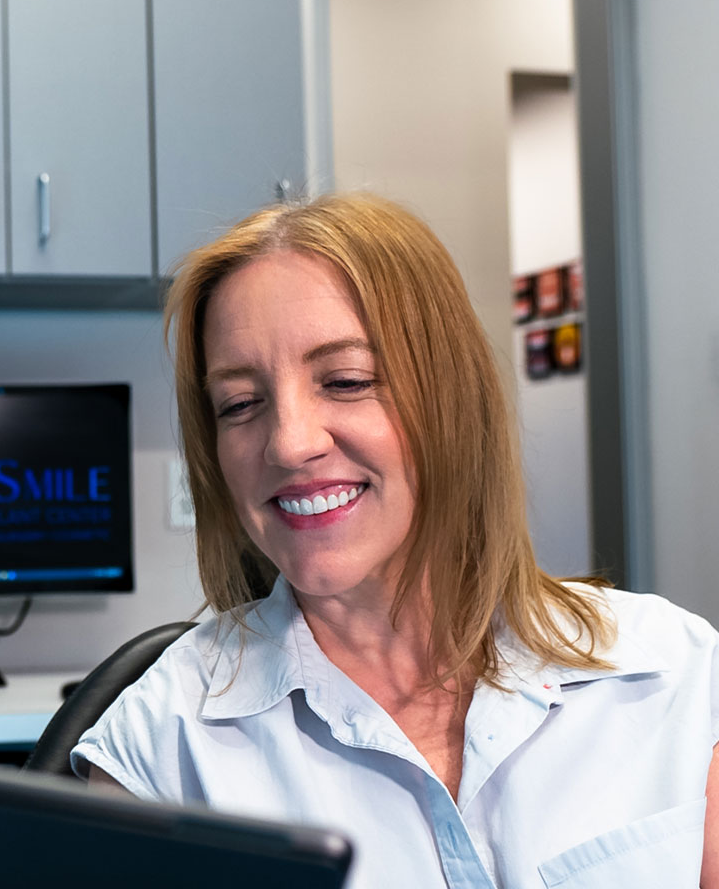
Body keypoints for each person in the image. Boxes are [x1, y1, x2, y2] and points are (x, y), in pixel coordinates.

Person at [72, 193, 719, 889]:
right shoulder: (163, 746)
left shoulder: (671, 673)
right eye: (240, 404)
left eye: (346, 382)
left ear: (452, 400)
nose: (289, 444)